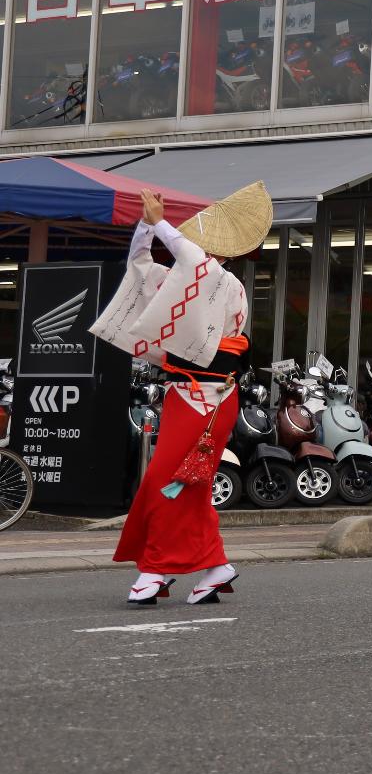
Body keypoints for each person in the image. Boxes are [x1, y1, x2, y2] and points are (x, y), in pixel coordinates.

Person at [92, 183, 269, 606]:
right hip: (184, 395)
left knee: (167, 481)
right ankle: (214, 565)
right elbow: (138, 263)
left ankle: (157, 568)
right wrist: (145, 226)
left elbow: (191, 260)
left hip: (209, 399)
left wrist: (160, 224)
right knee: (186, 485)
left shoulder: (222, 281)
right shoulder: (185, 279)